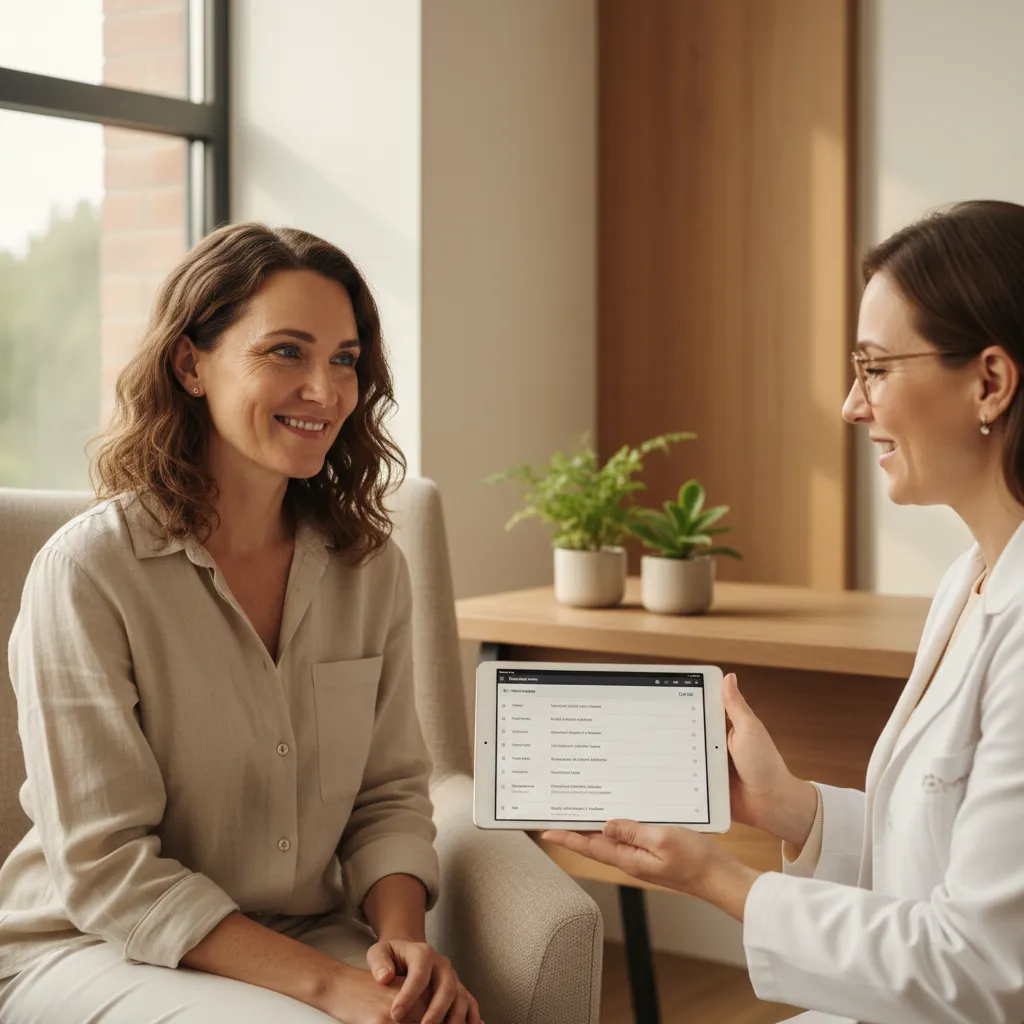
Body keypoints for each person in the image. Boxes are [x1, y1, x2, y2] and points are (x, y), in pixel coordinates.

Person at [544, 200, 1024, 1024]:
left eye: (875, 368)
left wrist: (717, 878)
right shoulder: (971, 579)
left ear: (990, 382)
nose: (850, 405)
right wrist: (791, 806)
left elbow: (982, 970)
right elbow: (946, 857)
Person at [0, 223, 480, 1024]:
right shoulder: (88, 573)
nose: (324, 390)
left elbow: (388, 794)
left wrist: (402, 949)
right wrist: (328, 987)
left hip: (306, 931)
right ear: (191, 365)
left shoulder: (371, 569)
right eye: (286, 352)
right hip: (95, 944)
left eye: (345, 359)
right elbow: (105, 864)